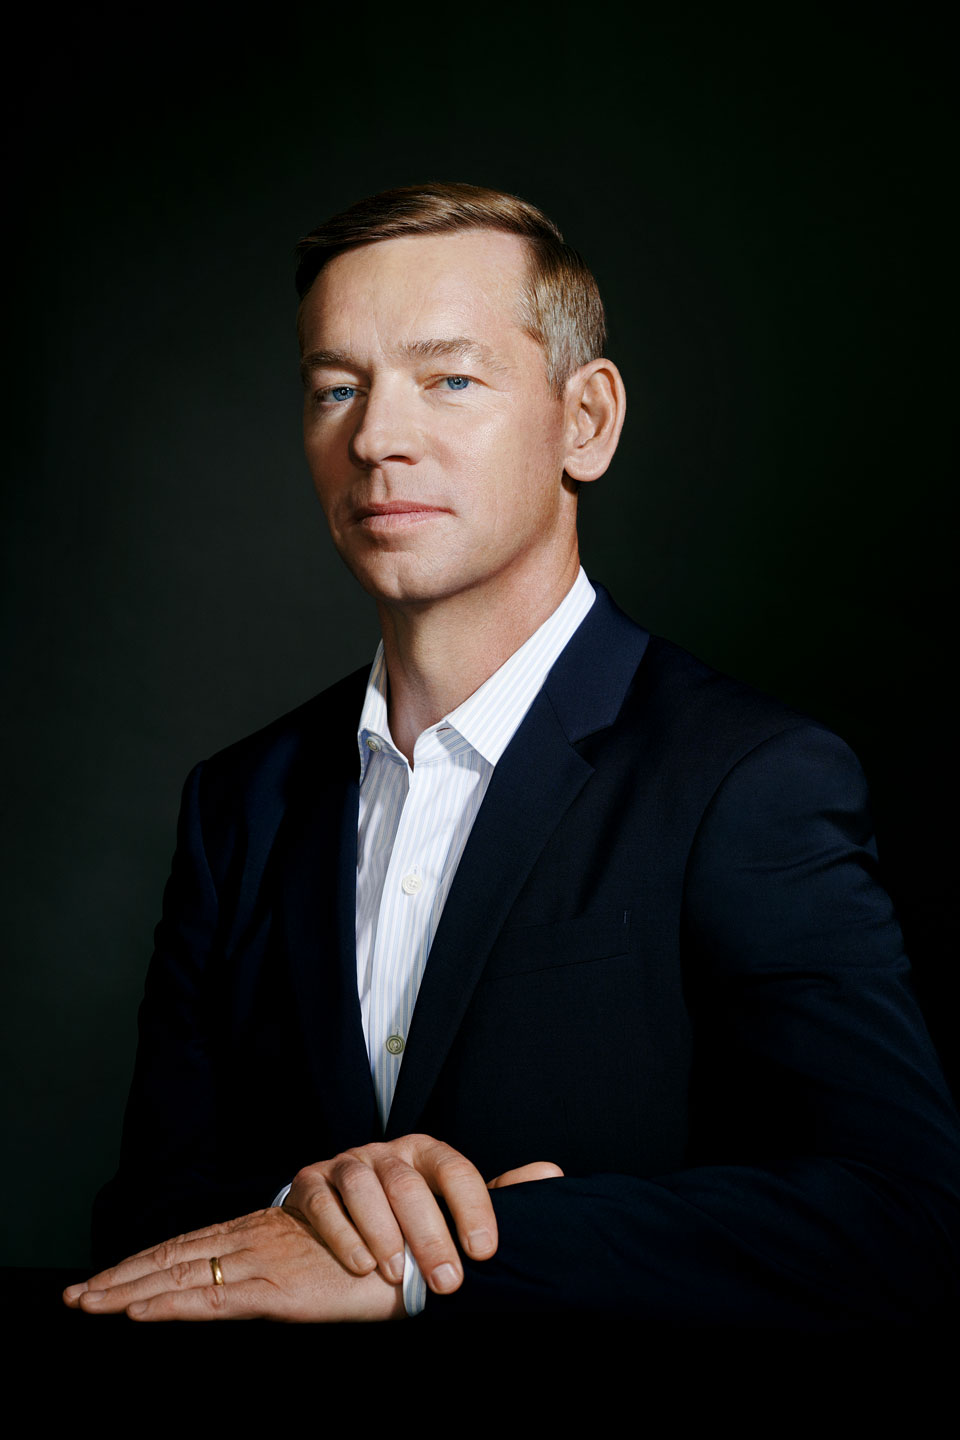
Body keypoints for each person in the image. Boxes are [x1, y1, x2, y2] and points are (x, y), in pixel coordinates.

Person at [64, 183, 960, 1325]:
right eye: (336, 388)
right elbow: (138, 1233)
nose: (375, 438)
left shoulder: (750, 779)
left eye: (449, 379)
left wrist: (430, 1258)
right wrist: (302, 1209)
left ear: (586, 421)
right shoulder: (239, 804)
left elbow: (904, 1219)